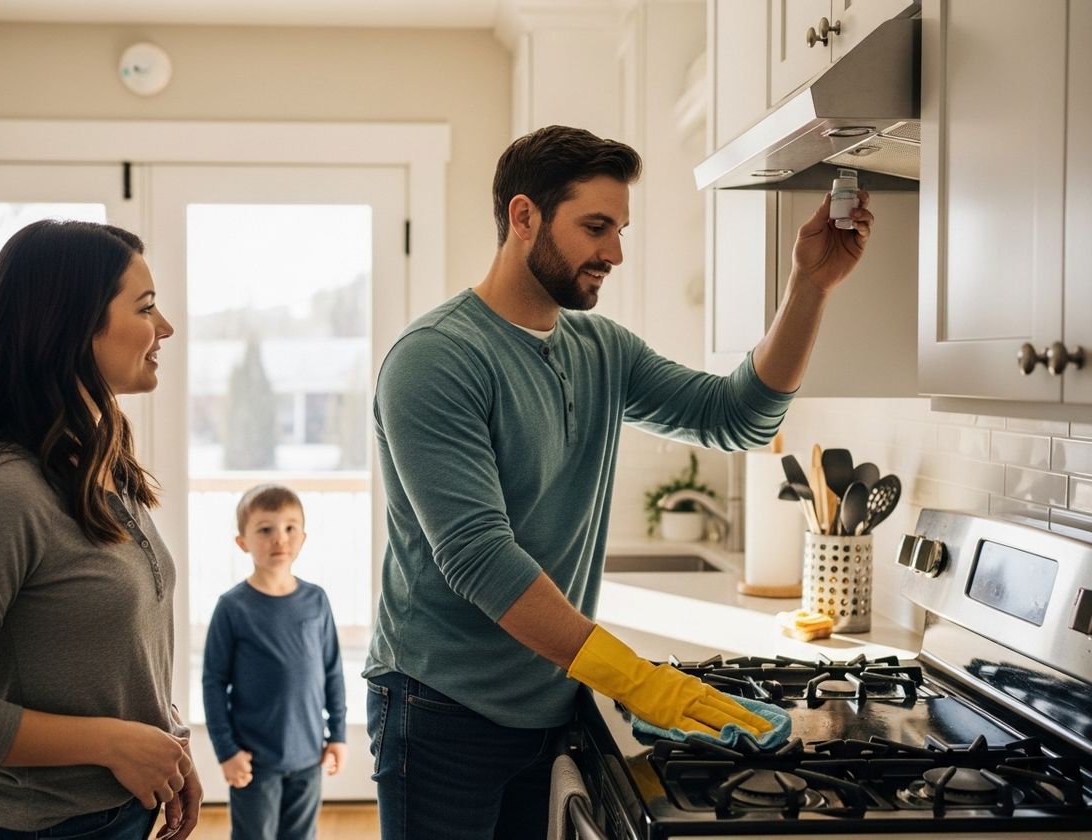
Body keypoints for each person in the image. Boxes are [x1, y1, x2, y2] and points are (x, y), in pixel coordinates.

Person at [363, 124, 874, 839]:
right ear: (523, 217)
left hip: (550, 696)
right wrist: (635, 678)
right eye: (596, 227)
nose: (616, 252)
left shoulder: (600, 348)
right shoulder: (435, 360)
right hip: (441, 707)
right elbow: (479, 557)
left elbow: (739, 419)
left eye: (620, 228)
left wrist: (810, 287)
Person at [0, 219, 200, 839]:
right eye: (145, 308)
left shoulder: (98, 460)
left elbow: (91, 652)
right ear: (74, 326)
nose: (165, 327)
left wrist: (160, 736)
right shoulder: (5, 491)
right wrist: (116, 742)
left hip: (120, 816)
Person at [202, 484, 348, 840]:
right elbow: (213, 682)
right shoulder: (233, 607)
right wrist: (226, 751)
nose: (279, 539)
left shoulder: (316, 600)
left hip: (309, 758)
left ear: (303, 537)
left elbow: (332, 670)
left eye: (289, 528)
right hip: (255, 761)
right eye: (265, 529)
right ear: (243, 542)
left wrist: (338, 735)